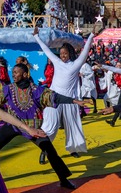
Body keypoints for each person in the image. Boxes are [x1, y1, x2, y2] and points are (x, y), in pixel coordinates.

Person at [0, 63, 90, 190]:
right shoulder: (8, 89)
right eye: (13, 72)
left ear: (25, 74)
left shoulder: (37, 90)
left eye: (16, 72)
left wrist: (74, 101)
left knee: (51, 152)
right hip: (13, 125)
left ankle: (64, 180)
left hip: (33, 127)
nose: (13, 74)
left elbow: (55, 97)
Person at [33, 26, 96, 158]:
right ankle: (45, 149)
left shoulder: (76, 64)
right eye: (61, 53)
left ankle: (73, 149)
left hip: (70, 99)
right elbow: (46, 50)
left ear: (70, 54)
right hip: (54, 98)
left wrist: (91, 36)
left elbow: (85, 52)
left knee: (72, 124)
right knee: (50, 125)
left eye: (65, 53)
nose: (62, 56)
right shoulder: (56, 62)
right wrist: (36, 37)